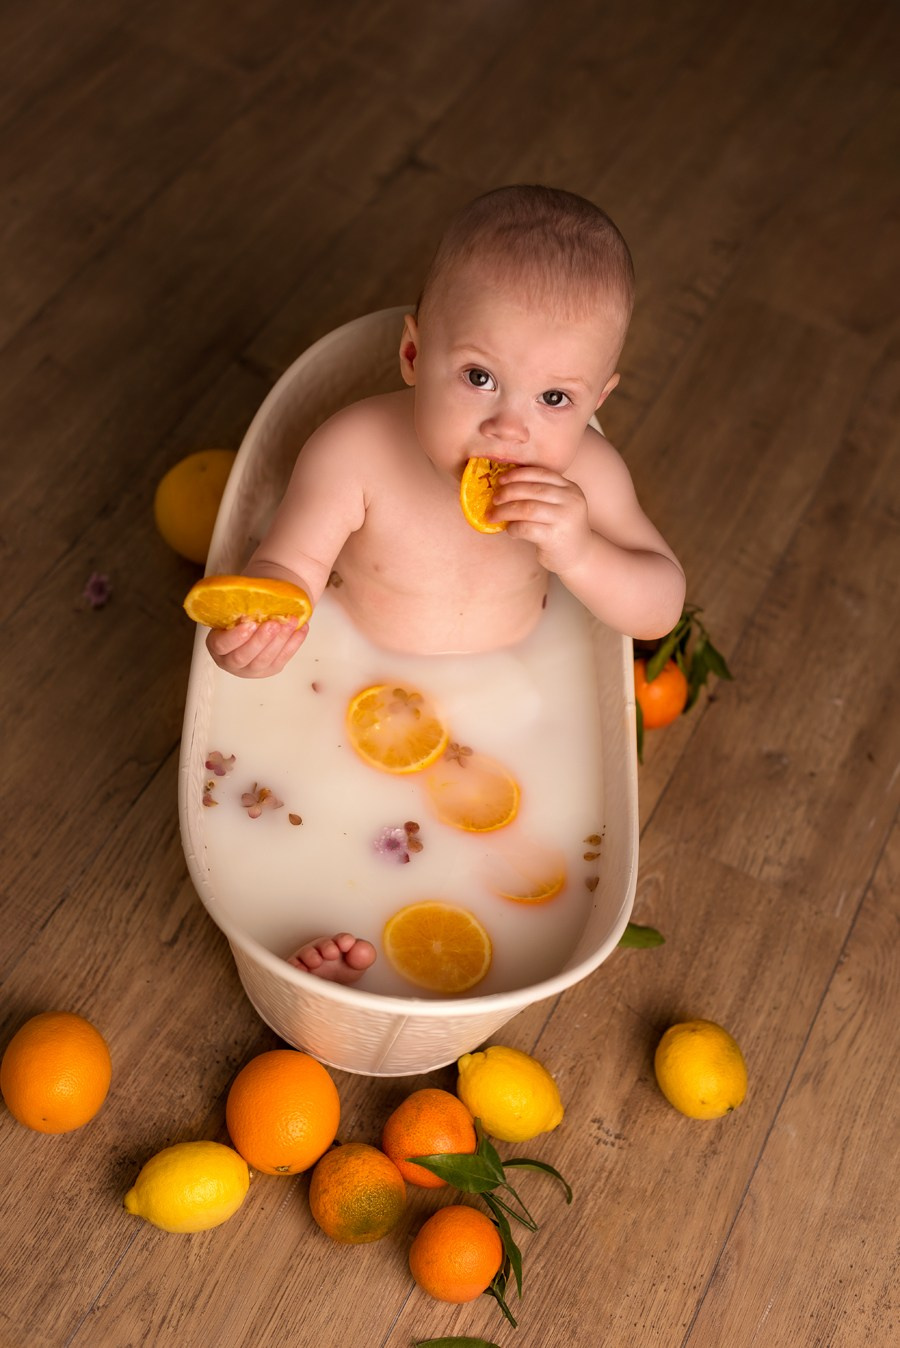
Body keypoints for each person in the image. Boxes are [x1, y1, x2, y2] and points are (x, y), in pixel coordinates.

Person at [210, 185, 686, 983]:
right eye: (478, 377)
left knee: (527, 855)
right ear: (412, 355)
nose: (511, 427)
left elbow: (659, 603)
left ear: (598, 400)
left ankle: (451, 943)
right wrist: (258, 630)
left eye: (555, 398)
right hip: (350, 675)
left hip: (507, 698)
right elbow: (286, 568)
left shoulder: (589, 479)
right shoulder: (354, 451)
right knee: (323, 798)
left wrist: (580, 553)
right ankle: (315, 930)